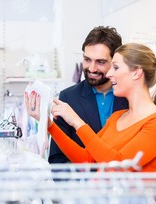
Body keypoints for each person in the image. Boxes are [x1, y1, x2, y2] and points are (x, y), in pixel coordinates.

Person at [26, 43, 156, 172]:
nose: (109, 74)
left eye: (115, 68)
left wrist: (75, 121)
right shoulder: (118, 117)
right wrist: (49, 123)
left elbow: (117, 166)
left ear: (136, 73)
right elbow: (87, 159)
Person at [48, 26, 129, 163]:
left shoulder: (130, 98)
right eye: (87, 60)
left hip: (122, 182)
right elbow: (57, 160)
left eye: (100, 62)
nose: (92, 68)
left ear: (115, 61)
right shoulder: (68, 98)